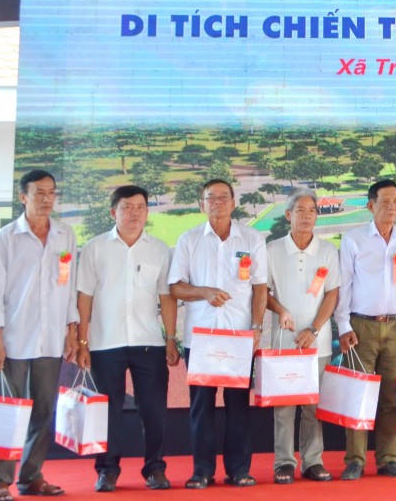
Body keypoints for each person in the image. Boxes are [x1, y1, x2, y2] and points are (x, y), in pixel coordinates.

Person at [77, 185, 177, 492]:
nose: (134, 213)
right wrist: (82, 342)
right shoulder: (94, 248)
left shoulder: (160, 249)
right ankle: (107, 470)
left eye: (140, 207)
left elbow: (167, 297)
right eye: (126, 207)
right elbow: (84, 296)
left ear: (147, 212)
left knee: (154, 410)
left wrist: (171, 338)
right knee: (108, 410)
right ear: (113, 212)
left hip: (149, 342)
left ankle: (155, 468)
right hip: (105, 342)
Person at [0, 170, 80, 501]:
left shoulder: (65, 235)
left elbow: (67, 285)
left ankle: (31, 477)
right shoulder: (6, 238)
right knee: (7, 410)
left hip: (50, 338)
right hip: (13, 338)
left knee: (43, 410)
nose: (46, 199)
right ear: (23, 197)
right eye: (39, 192)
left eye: (51, 192)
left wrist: (71, 330)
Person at [169, 178, 267, 489]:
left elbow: (260, 288)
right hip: (201, 338)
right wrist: (204, 292)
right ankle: (202, 471)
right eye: (211, 198)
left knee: (238, 407)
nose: (218, 203)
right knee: (202, 408)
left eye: (224, 197)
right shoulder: (189, 239)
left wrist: (257, 328)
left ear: (234, 203)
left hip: (239, 335)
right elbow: (175, 287)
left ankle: (238, 469)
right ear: (202, 204)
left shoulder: (252, 238)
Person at [335, 179, 396, 479]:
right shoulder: (354, 239)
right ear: (370, 205)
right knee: (358, 394)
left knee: (391, 397)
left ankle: (388, 459)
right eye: (385, 201)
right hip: (361, 327)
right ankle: (355, 460)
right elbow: (344, 285)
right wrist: (343, 325)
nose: (392, 207)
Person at [264, 189, 340, 483]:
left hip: (317, 343)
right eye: (300, 211)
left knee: (313, 407)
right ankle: (283, 462)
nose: (307, 216)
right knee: (284, 407)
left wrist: (314, 329)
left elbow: (332, 294)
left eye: (312, 211)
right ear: (288, 215)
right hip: (284, 342)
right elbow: (262, 292)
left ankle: (313, 461)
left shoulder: (327, 251)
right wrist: (280, 309)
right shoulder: (272, 250)